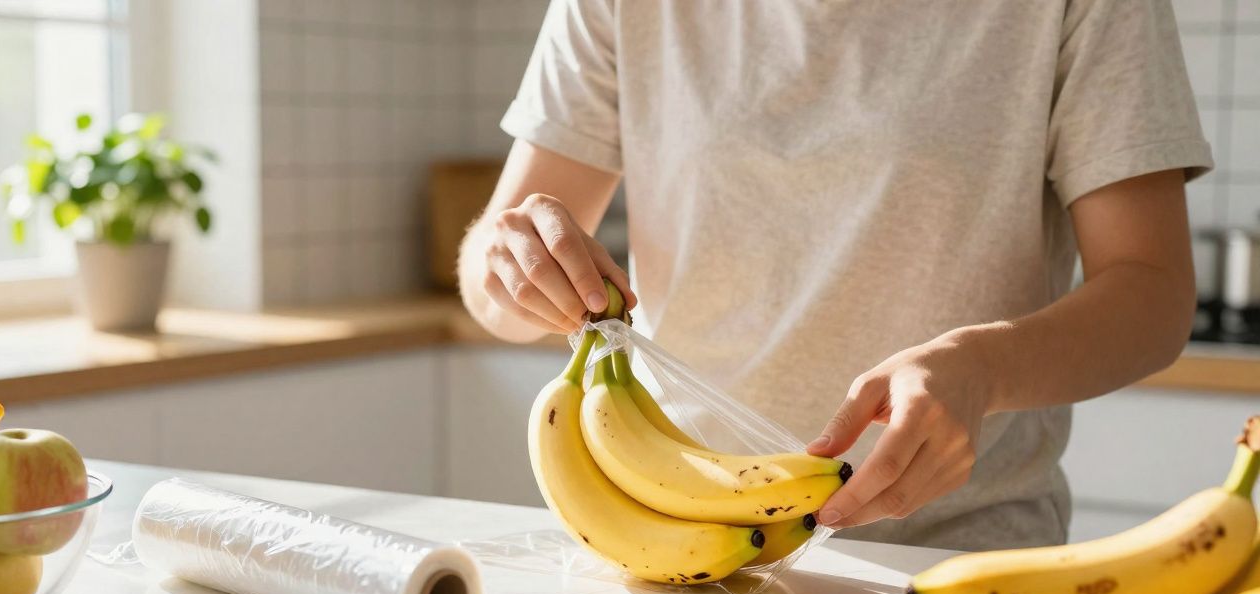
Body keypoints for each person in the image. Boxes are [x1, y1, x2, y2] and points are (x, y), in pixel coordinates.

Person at [457, 0, 1212, 550]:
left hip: (947, 563)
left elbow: (1154, 289)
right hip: (671, 537)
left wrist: (985, 369)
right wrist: (507, 261)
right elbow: (493, 286)